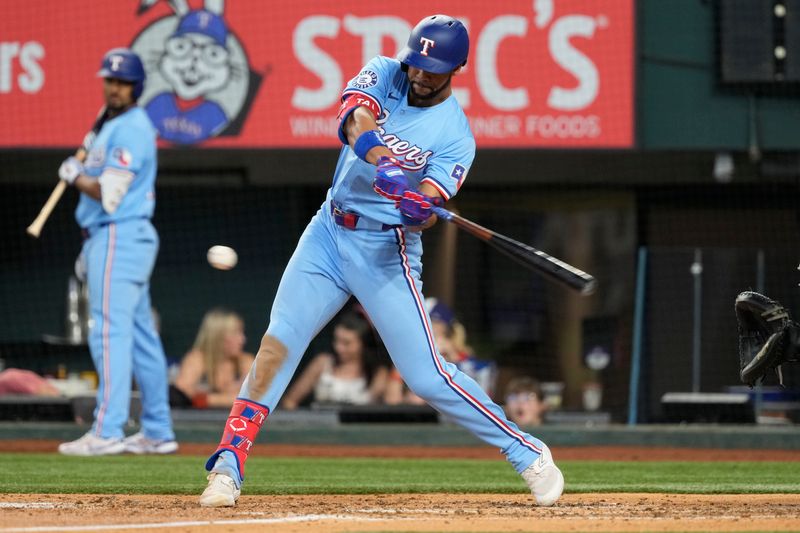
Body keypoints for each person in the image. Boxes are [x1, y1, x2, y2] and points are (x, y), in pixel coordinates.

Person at [199, 14, 563, 508]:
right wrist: (384, 162)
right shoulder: (386, 71)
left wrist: (419, 206)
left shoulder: (456, 135)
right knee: (278, 342)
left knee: (426, 376)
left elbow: (431, 205)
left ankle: (527, 451)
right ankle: (227, 462)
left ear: (456, 68)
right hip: (329, 231)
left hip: (385, 250)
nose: (420, 74)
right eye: (418, 63)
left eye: (433, 69)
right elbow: (355, 121)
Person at [56, 48, 177, 456]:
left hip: (118, 232)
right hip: (115, 236)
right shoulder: (113, 125)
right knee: (141, 336)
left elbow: (109, 195)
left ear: (136, 86)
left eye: (122, 81)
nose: (114, 87)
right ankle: (157, 430)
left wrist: (75, 176)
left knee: (110, 333)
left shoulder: (130, 128)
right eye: (109, 80)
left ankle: (106, 429)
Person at [384, 298, 497, 404]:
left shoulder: (467, 360)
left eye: (431, 321)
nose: (422, 326)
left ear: (445, 328)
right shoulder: (412, 357)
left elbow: (480, 399)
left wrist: (451, 357)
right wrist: (401, 363)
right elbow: (392, 400)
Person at [281, 311, 389, 410]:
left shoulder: (378, 373)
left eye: (346, 343)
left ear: (364, 344)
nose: (339, 348)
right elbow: (289, 401)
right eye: (337, 340)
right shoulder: (322, 363)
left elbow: (392, 404)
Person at [171, 309, 255, 409]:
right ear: (218, 336)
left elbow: (255, 399)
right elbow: (179, 395)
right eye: (236, 333)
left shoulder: (246, 361)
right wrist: (231, 397)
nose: (242, 339)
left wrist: (206, 399)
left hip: (236, 422)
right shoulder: (197, 359)